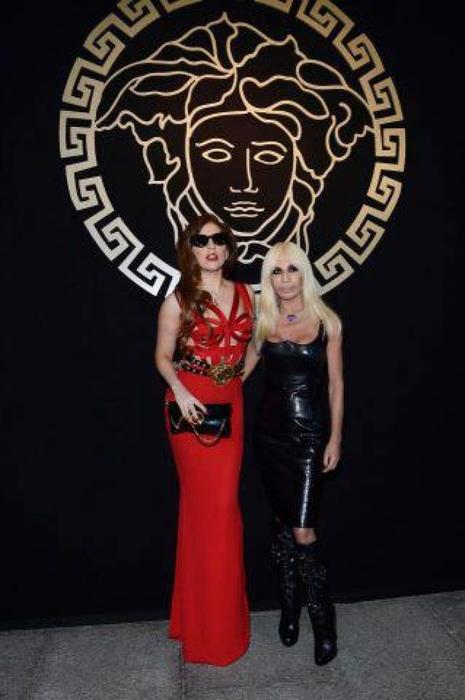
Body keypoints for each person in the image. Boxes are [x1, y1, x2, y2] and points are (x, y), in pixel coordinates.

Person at [154, 213, 256, 666]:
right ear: (190, 249)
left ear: (228, 248)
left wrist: (232, 382)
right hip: (189, 411)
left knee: (223, 513)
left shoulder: (247, 294)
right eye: (201, 240)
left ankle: (211, 623)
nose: (211, 247)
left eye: (218, 240)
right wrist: (180, 390)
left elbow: (255, 347)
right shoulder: (177, 300)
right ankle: (208, 632)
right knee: (206, 514)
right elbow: (161, 357)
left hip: (230, 407)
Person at [245, 241, 343, 666]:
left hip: (308, 438)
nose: (285, 279)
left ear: (304, 273)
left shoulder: (326, 321)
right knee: (282, 526)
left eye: (292, 270)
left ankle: (324, 623)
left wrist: (335, 439)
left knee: (304, 531)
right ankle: (289, 608)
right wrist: (197, 389)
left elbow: (337, 385)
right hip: (268, 437)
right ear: (268, 278)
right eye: (276, 271)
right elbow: (239, 373)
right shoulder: (262, 321)